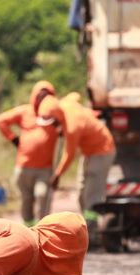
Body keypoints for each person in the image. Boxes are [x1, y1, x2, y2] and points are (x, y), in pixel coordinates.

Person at [0, 81, 66, 226]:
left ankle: (43, 229)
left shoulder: (54, 115)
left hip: (44, 170)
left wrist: (59, 126)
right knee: (26, 201)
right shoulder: (25, 111)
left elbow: (67, 132)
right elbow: (0, 121)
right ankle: (28, 232)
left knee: (42, 196)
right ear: (34, 96)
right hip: (24, 168)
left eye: (47, 96)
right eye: (40, 96)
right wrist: (14, 139)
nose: (43, 99)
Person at [51, 92, 116, 239]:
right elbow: (74, 95)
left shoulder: (72, 127)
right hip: (89, 152)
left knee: (92, 195)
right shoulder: (63, 105)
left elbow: (69, 155)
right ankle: (88, 225)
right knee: (81, 193)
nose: (55, 130)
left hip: (103, 151)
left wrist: (57, 175)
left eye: (56, 125)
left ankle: (92, 234)